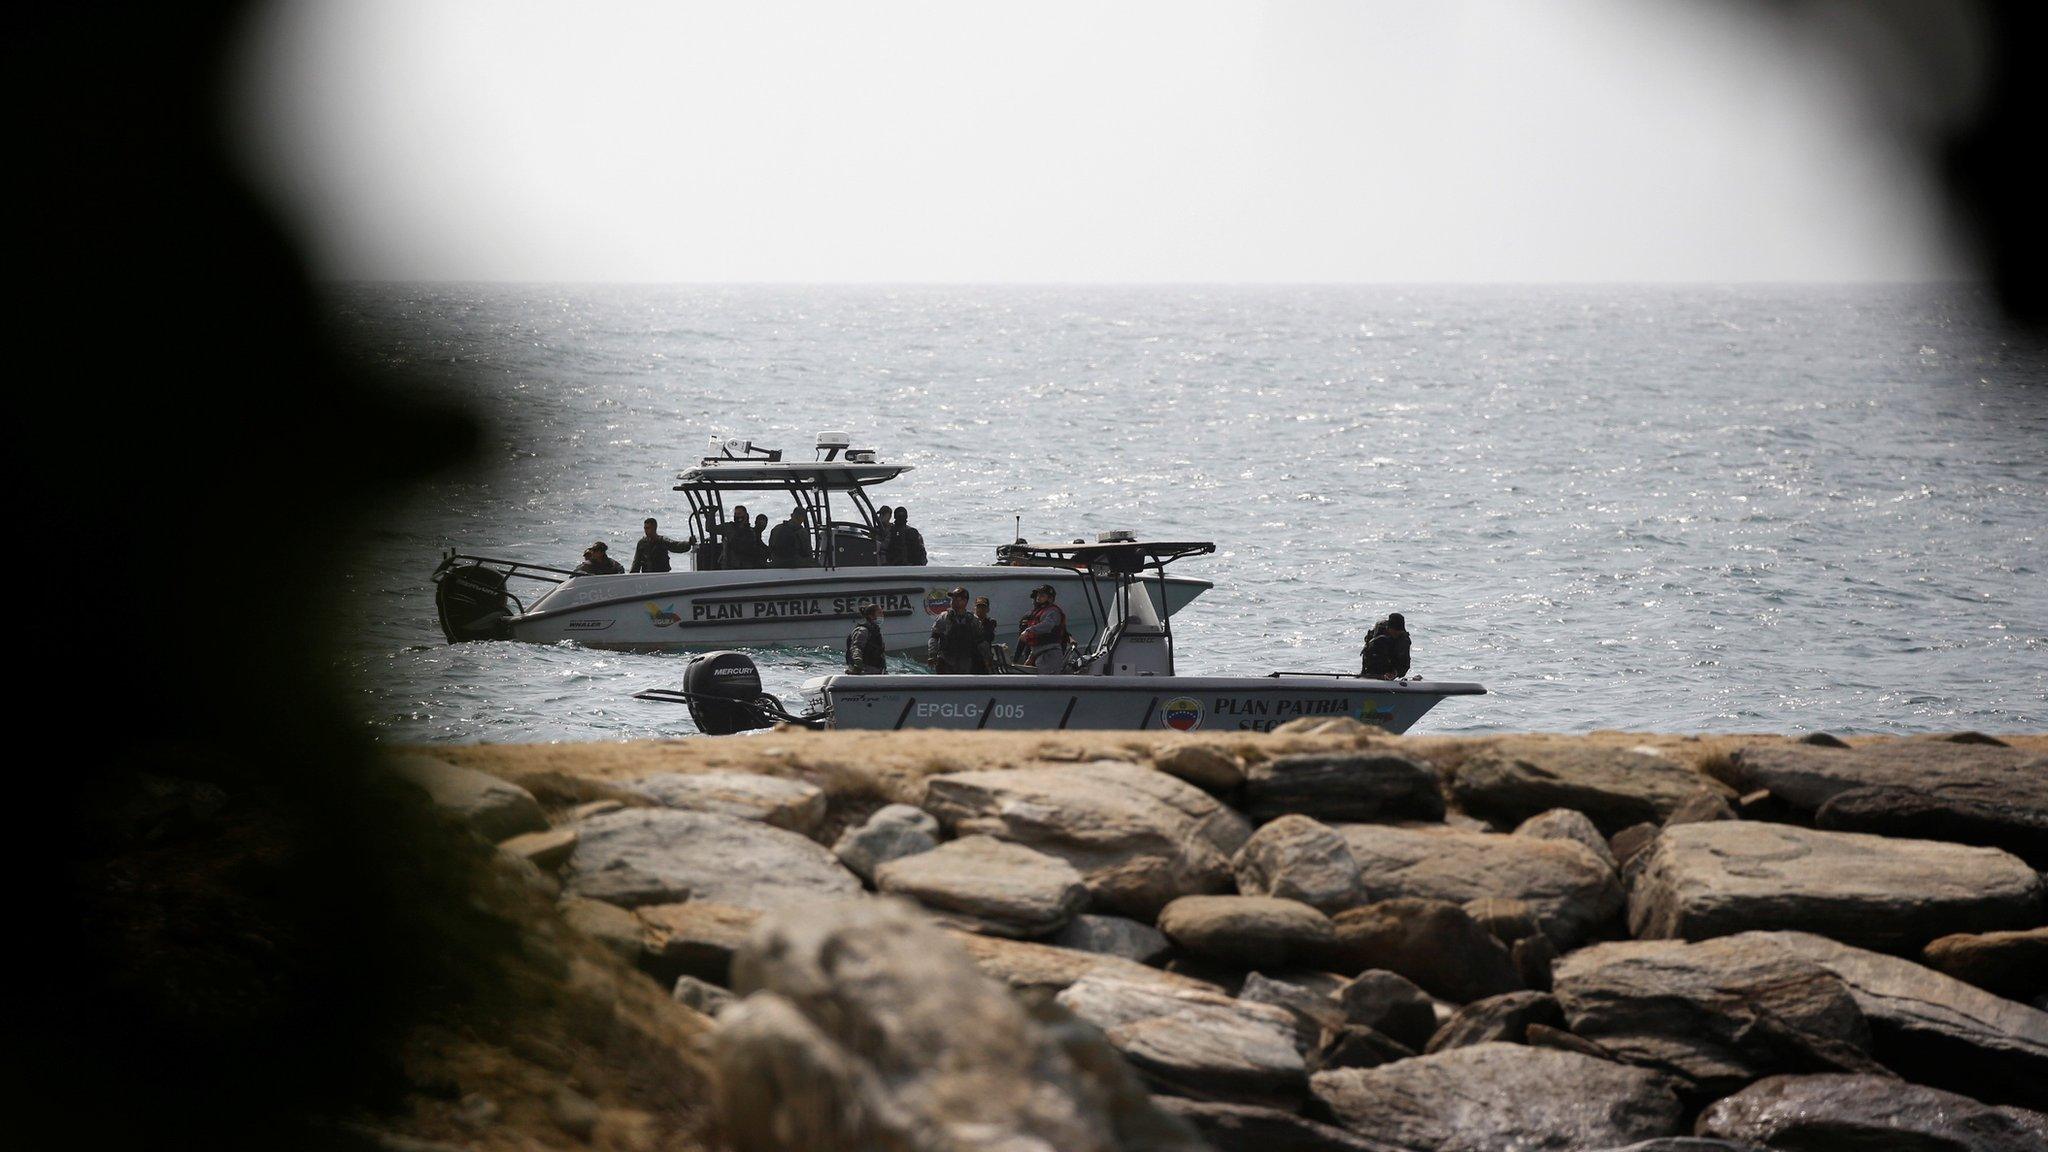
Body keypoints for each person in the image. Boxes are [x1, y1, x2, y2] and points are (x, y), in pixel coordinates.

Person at [928, 587, 989, 674]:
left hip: (965, 662)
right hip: (946, 660)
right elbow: (934, 638)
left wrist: (987, 658)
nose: (953, 601)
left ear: (964, 601)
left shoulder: (972, 620)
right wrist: (932, 655)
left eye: (957, 599)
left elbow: (981, 642)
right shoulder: (944, 617)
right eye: (953, 598)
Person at [1015, 583, 1069, 673]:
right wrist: (1031, 657)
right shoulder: (1036, 613)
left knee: (1048, 681)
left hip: (1050, 654)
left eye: (1042, 595)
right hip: (1038, 652)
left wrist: (1028, 631)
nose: (1038, 597)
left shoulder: (1053, 611)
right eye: (1038, 595)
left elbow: (1047, 626)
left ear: (1050, 599)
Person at [1362, 613, 1412, 679]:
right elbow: (1367, 650)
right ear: (1388, 628)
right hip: (1371, 668)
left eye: (1398, 632)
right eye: (1394, 632)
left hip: (1391, 671)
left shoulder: (1403, 641)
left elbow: (1405, 664)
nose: (1396, 634)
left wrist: (1395, 673)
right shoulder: (1379, 632)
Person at [845, 601, 886, 674]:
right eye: (879, 613)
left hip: (877, 672)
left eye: (882, 613)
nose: (882, 615)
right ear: (871, 616)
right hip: (864, 672)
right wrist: (858, 665)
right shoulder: (862, 631)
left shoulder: (877, 632)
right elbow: (856, 648)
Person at [715, 505, 756, 570]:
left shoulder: (751, 531)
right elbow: (711, 528)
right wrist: (711, 513)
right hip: (730, 566)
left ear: (745, 515)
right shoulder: (729, 528)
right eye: (735, 514)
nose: (737, 516)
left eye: (739, 514)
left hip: (746, 566)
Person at [972, 595, 1001, 671]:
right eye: (978, 607)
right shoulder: (969, 621)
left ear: (988, 609)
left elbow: (988, 637)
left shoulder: (990, 622)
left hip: (985, 657)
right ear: (974, 608)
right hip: (971, 656)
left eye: (983, 607)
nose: (980, 610)